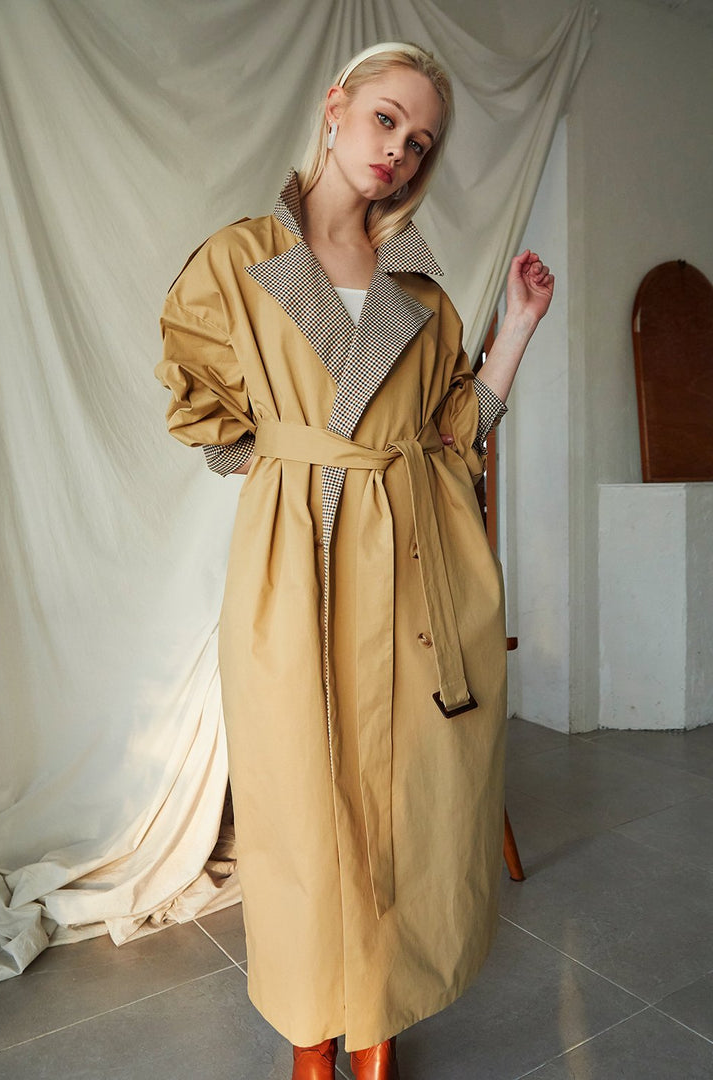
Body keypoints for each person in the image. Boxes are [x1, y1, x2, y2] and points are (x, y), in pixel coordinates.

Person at [155, 41, 553, 1080]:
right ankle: (307, 1030)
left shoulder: (420, 287)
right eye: (386, 120)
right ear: (336, 107)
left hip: (414, 566)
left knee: (405, 800)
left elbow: (454, 433)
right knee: (300, 804)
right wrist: (297, 466)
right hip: (297, 567)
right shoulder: (238, 261)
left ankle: (375, 1024)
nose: (399, 152)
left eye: (419, 142)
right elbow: (207, 417)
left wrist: (515, 329)